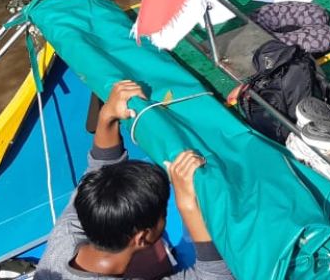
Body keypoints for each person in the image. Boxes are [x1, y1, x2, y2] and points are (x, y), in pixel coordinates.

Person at [36, 80, 232, 280]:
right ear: (142, 237)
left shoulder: (64, 239)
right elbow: (217, 277)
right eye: (164, 212)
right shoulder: (66, 235)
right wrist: (188, 206)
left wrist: (107, 116)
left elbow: (100, 169)